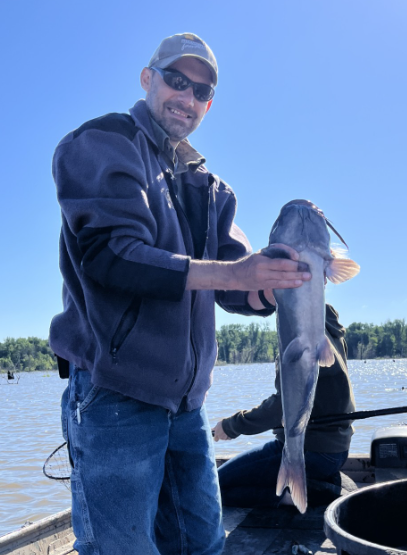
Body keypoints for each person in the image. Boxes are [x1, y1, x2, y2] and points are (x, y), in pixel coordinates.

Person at [50, 32, 311, 555]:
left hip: (188, 407)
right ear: (148, 79)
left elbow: (235, 280)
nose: (187, 98)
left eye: (201, 91)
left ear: (209, 105)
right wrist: (237, 276)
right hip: (115, 396)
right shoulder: (104, 143)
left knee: (203, 545)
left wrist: (269, 290)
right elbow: (114, 257)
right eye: (176, 80)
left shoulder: (208, 187)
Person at [213, 303, 355, 509]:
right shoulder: (324, 321)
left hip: (311, 451)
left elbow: (282, 406)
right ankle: (316, 483)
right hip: (337, 452)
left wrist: (230, 426)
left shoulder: (299, 330)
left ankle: (293, 497)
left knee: (215, 488)